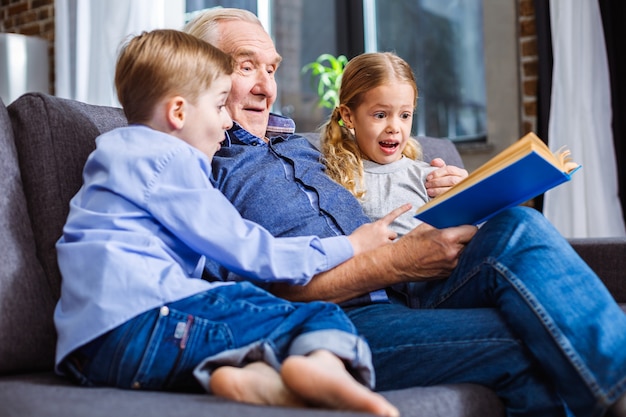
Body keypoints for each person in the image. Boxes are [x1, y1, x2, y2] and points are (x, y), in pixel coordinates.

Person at [185, 8, 626, 417]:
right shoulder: (200, 167)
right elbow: (249, 294)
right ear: (200, 76)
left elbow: (387, 157)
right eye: (247, 66)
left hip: (413, 289)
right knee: (527, 337)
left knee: (519, 225)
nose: (266, 85)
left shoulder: (306, 148)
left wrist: (457, 190)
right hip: (343, 320)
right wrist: (392, 263)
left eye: (271, 68)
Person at [53, 28, 405, 417]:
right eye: (220, 105)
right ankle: (326, 368)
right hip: (147, 321)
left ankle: (253, 381)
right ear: (178, 112)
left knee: (237, 331)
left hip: (89, 353)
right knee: (317, 314)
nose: (226, 122)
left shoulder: (111, 159)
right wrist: (351, 246)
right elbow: (250, 250)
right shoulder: (171, 160)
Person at [321, 51, 447, 236]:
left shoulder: (429, 179)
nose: (394, 127)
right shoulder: (332, 177)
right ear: (348, 116)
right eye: (380, 115)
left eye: (405, 115)